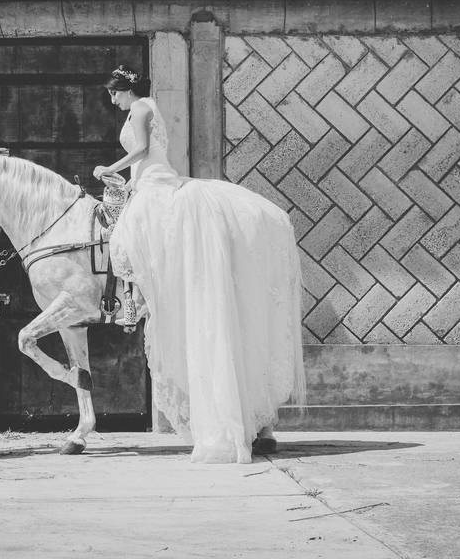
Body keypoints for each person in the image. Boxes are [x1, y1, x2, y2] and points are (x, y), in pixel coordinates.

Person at [93, 65, 306, 464]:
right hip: (150, 183)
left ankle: (134, 300)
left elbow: (139, 151)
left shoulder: (139, 108)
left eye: (113, 93)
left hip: (155, 186)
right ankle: (139, 297)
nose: (112, 100)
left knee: (128, 241)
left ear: (125, 88)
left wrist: (111, 168)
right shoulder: (146, 106)